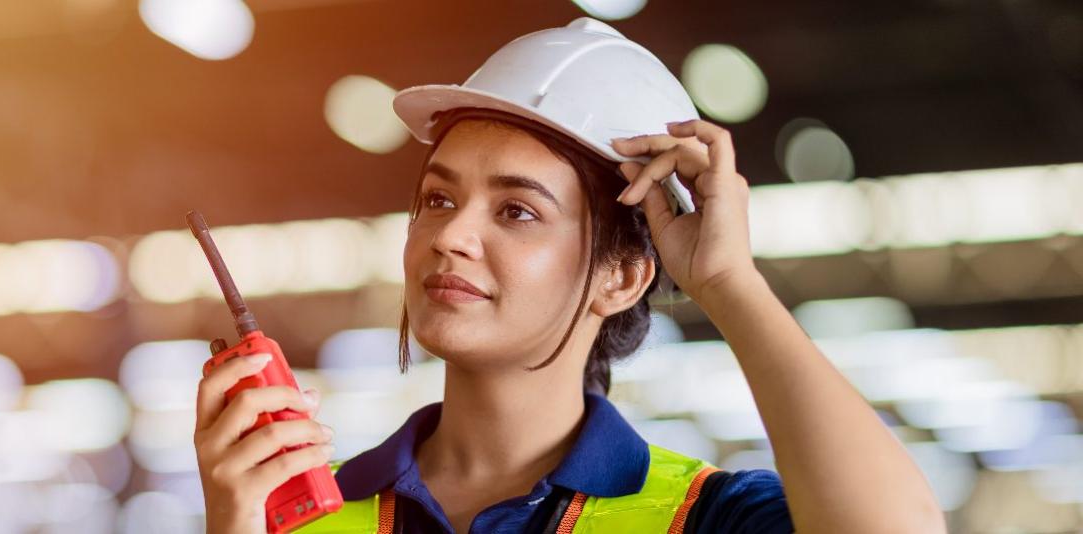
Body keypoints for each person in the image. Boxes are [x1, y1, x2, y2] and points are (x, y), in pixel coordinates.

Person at [194, 17, 946, 534]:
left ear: (622, 276)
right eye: (437, 198)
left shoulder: (704, 516)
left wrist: (729, 282)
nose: (450, 234)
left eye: (516, 211)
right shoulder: (308, 513)